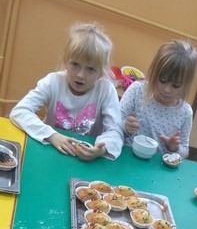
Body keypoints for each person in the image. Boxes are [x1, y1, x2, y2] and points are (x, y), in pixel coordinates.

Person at [10, 21, 123, 161]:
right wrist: (52, 135)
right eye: (75, 64)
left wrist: (101, 150)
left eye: (90, 69)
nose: (81, 75)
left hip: (85, 160)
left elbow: (115, 131)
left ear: (100, 72)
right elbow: (20, 111)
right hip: (50, 151)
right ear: (66, 61)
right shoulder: (53, 82)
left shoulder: (106, 90)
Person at [120, 39, 197, 157]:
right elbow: (112, 125)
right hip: (127, 159)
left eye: (176, 85)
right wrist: (125, 128)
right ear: (154, 72)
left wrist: (174, 148)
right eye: (162, 80)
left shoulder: (185, 112)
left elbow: (184, 151)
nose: (167, 89)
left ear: (186, 84)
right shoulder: (137, 90)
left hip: (158, 166)